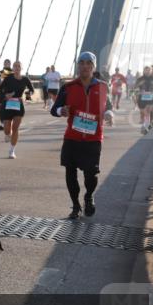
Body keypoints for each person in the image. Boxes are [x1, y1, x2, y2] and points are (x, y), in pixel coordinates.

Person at [51, 51, 113, 219]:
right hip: (72, 137)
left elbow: (109, 106)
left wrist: (109, 114)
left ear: (93, 67)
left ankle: (88, 196)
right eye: (82, 62)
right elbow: (54, 109)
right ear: (78, 65)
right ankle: (76, 206)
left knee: (90, 175)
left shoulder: (103, 87)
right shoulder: (68, 87)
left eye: (88, 63)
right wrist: (60, 110)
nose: (85, 66)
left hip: (93, 138)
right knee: (70, 172)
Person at [0, 61, 34, 159]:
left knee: (15, 128)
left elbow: (31, 90)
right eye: (15, 66)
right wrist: (5, 96)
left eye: (18, 66)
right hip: (8, 105)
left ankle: (12, 151)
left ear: (22, 68)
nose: (17, 68)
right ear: (13, 68)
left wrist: (26, 96)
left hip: (18, 105)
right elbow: (0, 89)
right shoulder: (8, 78)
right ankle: (7, 134)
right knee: (7, 129)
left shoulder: (25, 79)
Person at [135, 65, 153, 133]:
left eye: (149, 70)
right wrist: (139, 92)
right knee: (143, 113)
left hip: (150, 97)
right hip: (141, 98)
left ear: (151, 71)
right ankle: (144, 125)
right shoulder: (140, 79)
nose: (147, 71)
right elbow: (135, 88)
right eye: (146, 70)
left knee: (148, 112)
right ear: (144, 71)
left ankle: (144, 127)